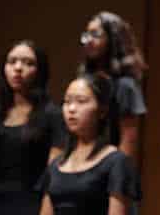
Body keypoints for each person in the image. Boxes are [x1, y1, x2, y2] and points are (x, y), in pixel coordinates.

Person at [0, 40, 66, 215]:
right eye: (12, 62)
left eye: (28, 63)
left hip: (31, 206)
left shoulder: (53, 116)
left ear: (40, 70)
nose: (18, 68)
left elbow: (53, 180)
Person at [38, 73, 141, 214]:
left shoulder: (116, 162)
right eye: (67, 102)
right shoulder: (56, 165)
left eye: (81, 101)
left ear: (102, 110)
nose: (71, 109)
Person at [79, 11, 148, 160]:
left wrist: (119, 176)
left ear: (113, 39)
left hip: (109, 163)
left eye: (96, 34)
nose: (89, 40)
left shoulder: (125, 85)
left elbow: (128, 138)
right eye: (87, 35)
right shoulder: (84, 81)